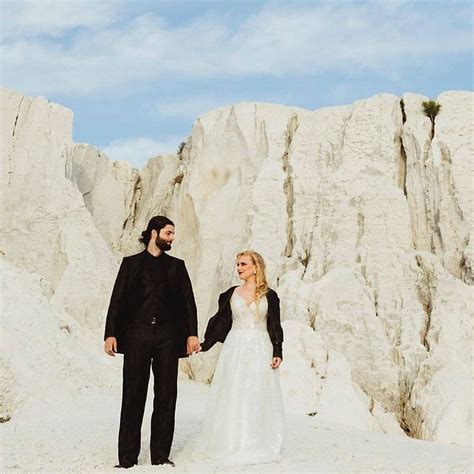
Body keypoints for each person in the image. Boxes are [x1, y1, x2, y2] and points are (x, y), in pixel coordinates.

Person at [103, 215, 200, 469]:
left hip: (168, 338)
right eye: (168, 233)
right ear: (154, 233)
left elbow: (188, 303)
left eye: (173, 234)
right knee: (133, 395)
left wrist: (192, 334)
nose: (172, 238)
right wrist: (110, 334)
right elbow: (117, 301)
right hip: (137, 337)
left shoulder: (177, 266)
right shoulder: (131, 264)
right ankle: (126, 459)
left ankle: (160, 456)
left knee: (167, 395)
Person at [195, 250, 285, 465]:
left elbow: (275, 325)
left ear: (256, 267)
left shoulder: (269, 296)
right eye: (237, 264)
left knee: (256, 392)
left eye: (243, 264)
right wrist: (205, 344)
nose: (239, 268)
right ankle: (230, 441)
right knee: (233, 390)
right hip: (235, 348)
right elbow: (220, 322)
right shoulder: (229, 294)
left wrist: (277, 351)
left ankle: (255, 441)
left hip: (260, 348)